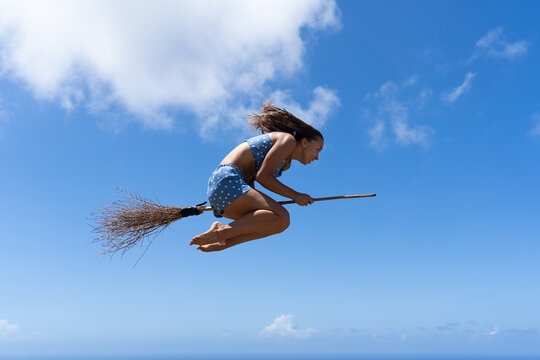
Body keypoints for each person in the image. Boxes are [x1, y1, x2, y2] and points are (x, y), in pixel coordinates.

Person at [190, 101, 324, 252]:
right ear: (305, 142)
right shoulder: (288, 141)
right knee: (282, 216)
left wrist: (268, 207)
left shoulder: (286, 163)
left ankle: (224, 241)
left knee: (278, 223)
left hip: (224, 193)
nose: (317, 157)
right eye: (317, 149)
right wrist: (296, 196)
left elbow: (253, 179)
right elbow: (264, 177)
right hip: (227, 181)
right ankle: (221, 233)